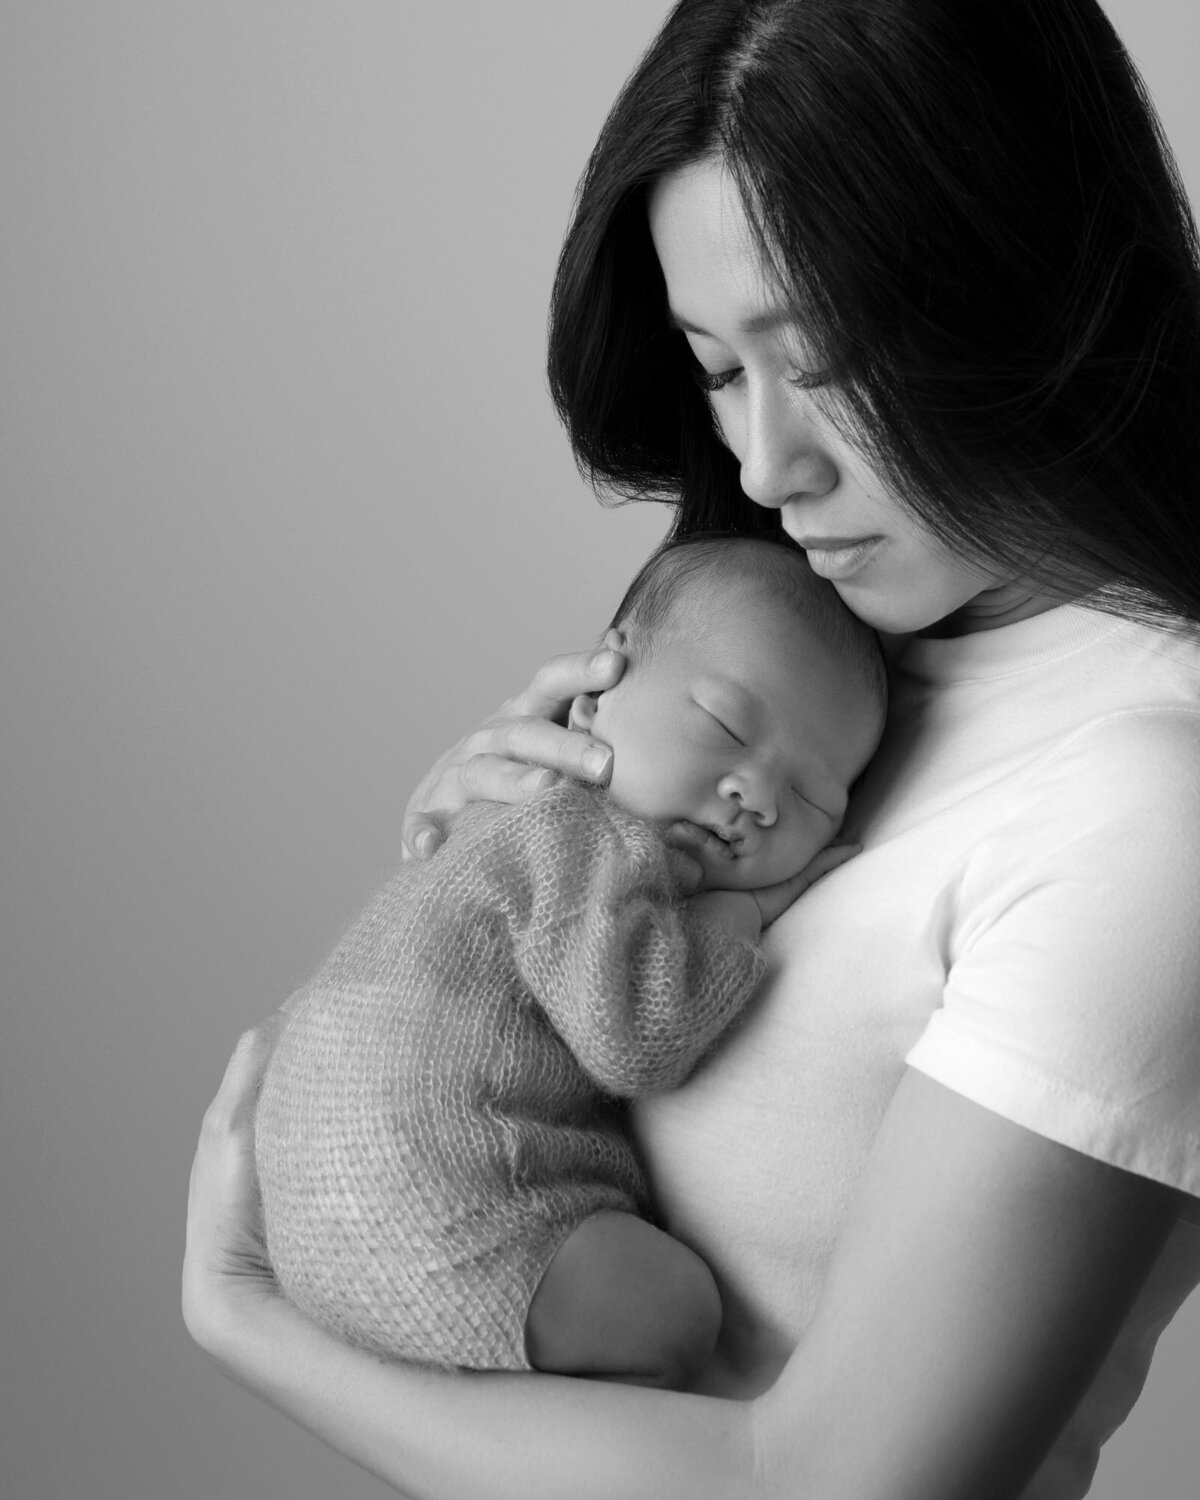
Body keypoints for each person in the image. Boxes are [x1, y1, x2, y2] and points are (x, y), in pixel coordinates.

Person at [182, 2, 1200, 1496]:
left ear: (1036, 298)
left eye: (832, 360)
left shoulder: (1147, 803)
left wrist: (249, 1320)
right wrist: (483, 887)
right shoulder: (820, 658)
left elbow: (835, 1485)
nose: (765, 464)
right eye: (719, 370)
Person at [253, 533, 884, 1388]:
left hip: (317, 1209)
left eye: (814, 796)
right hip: (427, 1195)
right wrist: (742, 915)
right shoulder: (582, 835)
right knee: (679, 1312)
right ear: (593, 698)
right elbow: (639, 1038)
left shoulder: (520, 830)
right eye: (728, 725)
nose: (758, 796)